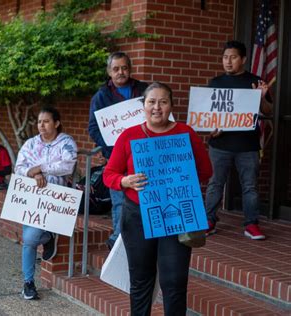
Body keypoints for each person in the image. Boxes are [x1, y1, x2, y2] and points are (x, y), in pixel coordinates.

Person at [103, 82, 212, 315]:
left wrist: (182, 176)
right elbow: (109, 175)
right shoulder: (129, 136)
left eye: (163, 102)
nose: (157, 107)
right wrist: (125, 181)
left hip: (176, 215)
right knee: (141, 279)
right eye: (151, 102)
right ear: (143, 106)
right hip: (138, 216)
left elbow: (205, 171)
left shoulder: (185, 133)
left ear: (171, 105)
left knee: (174, 281)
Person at [205, 40, 273, 240]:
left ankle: (251, 225)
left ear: (243, 59)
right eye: (225, 57)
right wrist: (211, 132)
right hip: (220, 144)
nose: (228, 61)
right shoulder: (215, 83)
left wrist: (261, 96)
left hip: (247, 145)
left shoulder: (255, 81)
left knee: (250, 186)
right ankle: (209, 221)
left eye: (233, 57)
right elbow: (209, 115)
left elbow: (268, 111)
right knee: (215, 183)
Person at [15, 106, 77, 300]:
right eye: (39, 122)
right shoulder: (31, 144)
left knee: (31, 238)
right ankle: (28, 282)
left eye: (46, 121)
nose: (41, 125)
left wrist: (40, 167)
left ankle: (48, 237)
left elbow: (67, 165)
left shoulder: (66, 142)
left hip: (55, 199)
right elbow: (19, 167)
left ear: (56, 123)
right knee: (30, 239)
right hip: (32, 197)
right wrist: (33, 173)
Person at [88, 51, 148, 250]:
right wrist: (110, 145)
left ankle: (143, 239)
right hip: (117, 158)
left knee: (145, 199)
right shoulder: (101, 96)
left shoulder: (144, 90)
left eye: (124, 68)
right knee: (119, 202)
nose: (120, 72)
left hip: (145, 155)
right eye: (116, 69)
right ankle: (118, 241)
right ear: (109, 72)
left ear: (130, 69)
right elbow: (93, 128)